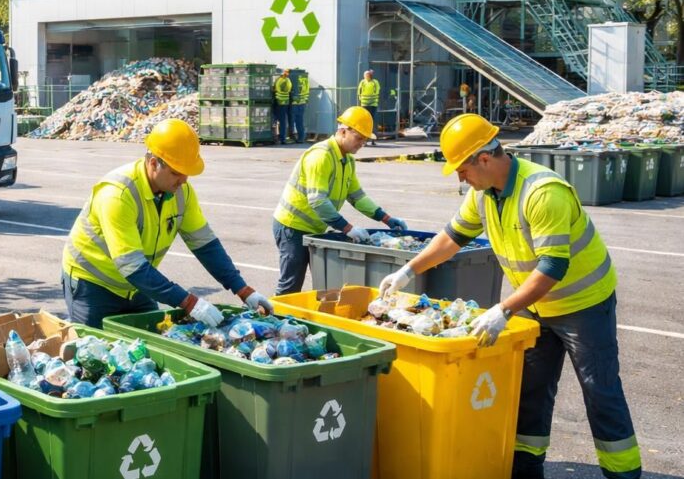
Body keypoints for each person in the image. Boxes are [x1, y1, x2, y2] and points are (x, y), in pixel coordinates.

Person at [379, 114, 640, 479]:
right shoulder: (483, 194)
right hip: (533, 306)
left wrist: (503, 309)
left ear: (483, 159)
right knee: (530, 390)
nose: (460, 177)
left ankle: (623, 473)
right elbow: (451, 237)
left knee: (600, 392)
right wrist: (409, 270)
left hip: (583, 304)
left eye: (461, 168)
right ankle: (526, 470)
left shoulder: (542, 192)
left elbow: (552, 267)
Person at [62, 118, 274, 328]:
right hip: (93, 286)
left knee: (148, 348)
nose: (183, 181)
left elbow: (205, 245)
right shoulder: (118, 194)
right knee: (93, 352)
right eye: (175, 173)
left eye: (186, 173)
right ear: (153, 163)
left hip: (137, 286)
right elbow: (132, 266)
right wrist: (189, 302)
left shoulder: (181, 193)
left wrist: (243, 290)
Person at [272, 106, 407, 294]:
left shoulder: (347, 160)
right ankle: (271, 319)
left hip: (314, 229)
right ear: (343, 132)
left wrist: (386, 219)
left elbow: (357, 197)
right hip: (292, 227)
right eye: (359, 138)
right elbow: (317, 201)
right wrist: (348, 228)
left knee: (323, 284)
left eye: (365, 140)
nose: (362, 144)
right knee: (290, 285)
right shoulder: (321, 155)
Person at [357, 69, 380, 146]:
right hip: (364, 104)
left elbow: (377, 91)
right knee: (365, 122)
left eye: (367, 75)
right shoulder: (362, 82)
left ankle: (373, 140)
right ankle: (365, 141)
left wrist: (373, 100)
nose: (366, 76)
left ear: (370, 75)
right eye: (365, 75)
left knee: (372, 122)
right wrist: (361, 101)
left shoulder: (375, 82)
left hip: (373, 104)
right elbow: (359, 92)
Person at [290, 70, 310, 143]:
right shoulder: (305, 79)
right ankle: (301, 138)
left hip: (294, 103)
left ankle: (292, 137)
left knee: (291, 121)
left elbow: (292, 91)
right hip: (302, 103)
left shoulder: (293, 77)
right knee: (300, 122)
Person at [273, 69, 292, 144]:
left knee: (277, 120)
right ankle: (282, 138)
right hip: (285, 102)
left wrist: (274, 89)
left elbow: (277, 89)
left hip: (279, 102)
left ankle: (280, 138)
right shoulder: (288, 80)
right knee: (283, 121)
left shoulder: (280, 80)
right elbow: (288, 89)